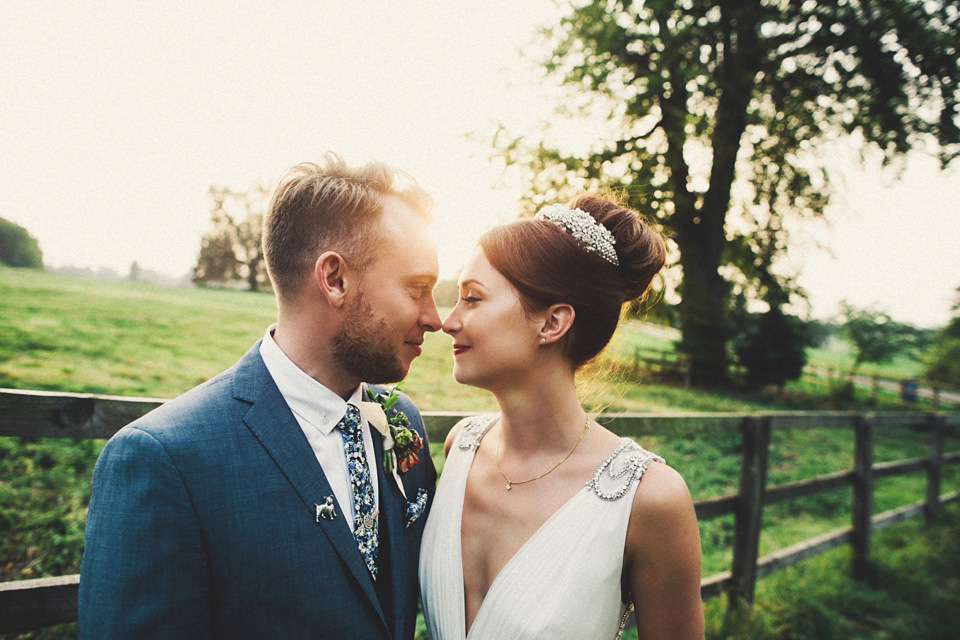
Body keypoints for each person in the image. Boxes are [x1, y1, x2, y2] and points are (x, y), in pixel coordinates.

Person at [79, 153, 441, 640]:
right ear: (335, 279)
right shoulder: (164, 460)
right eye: (417, 289)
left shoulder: (402, 423)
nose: (435, 317)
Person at [419, 194, 704, 639]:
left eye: (472, 299)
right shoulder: (461, 448)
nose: (447, 321)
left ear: (552, 323)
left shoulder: (649, 501)